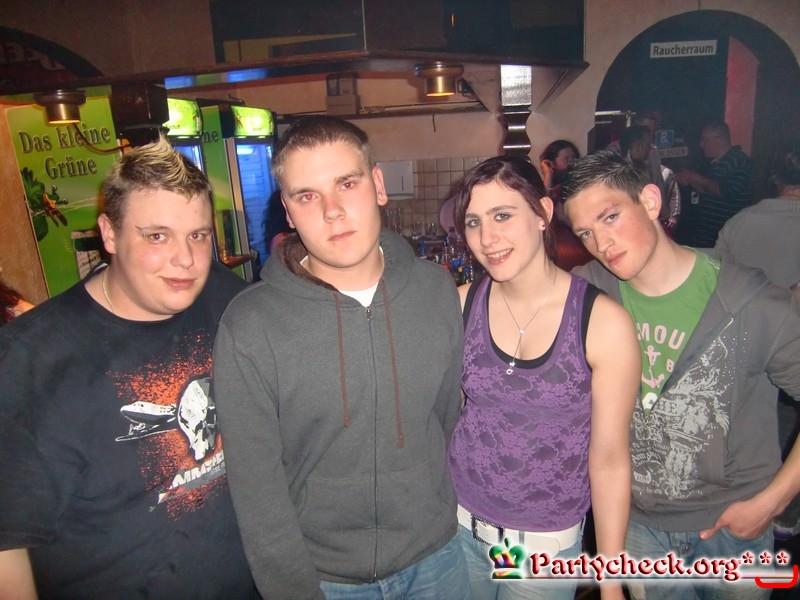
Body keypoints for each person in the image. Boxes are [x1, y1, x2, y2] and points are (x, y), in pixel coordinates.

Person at [212, 115, 468, 599]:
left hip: (437, 559)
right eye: (307, 196)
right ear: (288, 212)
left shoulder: (435, 292)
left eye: (347, 184)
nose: (332, 211)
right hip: (325, 579)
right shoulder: (250, 325)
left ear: (378, 186)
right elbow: (257, 490)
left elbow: (446, 420)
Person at [0, 136, 256, 599]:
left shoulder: (222, 296)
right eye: (157, 235)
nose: (186, 259)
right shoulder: (29, 361)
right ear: (110, 233)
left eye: (198, 235)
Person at [562, 149, 800, 600]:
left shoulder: (751, 302)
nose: (601, 243)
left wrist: (773, 502)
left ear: (650, 201)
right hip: (638, 528)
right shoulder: (588, 293)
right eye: (586, 232)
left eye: (610, 217)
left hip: (734, 530)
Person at [446, 155, 640, 600]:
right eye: (473, 222)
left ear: (542, 213)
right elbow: (449, 414)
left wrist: (611, 584)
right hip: (457, 528)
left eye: (502, 216)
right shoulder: (460, 304)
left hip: (541, 549)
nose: (486, 238)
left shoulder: (601, 322)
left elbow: (610, 460)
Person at [715, 137, 800, 541]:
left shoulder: (740, 222)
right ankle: (786, 506)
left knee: (760, 425)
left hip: (745, 348)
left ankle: (767, 501)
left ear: (775, 177)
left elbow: (714, 287)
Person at [676, 121, 754, 247]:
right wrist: (691, 181)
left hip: (726, 238)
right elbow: (710, 192)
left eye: (704, 140)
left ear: (718, 140)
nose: (701, 145)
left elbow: (728, 193)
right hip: (711, 235)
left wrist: (701, 180)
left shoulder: (738, 161)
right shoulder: (718, 162)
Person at [539, 140, 592, 270]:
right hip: (558, 246)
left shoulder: (582, 182)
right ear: (552, 163)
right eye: (566, 158)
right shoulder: (552, 187)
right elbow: (540, 207)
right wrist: (547, 175)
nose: (571, 162)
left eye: (573, 157)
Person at [619, 124, 681, 232]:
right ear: (637, 147)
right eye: (647, 144)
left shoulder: (663, 171)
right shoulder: (619, 175)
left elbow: (672, 200)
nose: (651, 148)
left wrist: (670, 218)